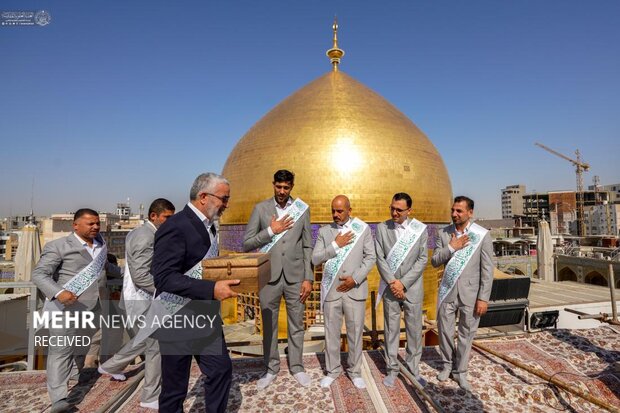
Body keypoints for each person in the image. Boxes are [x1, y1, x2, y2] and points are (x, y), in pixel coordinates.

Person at [151, 173, 239, 413]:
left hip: (202, 314)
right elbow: (164, 277)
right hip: (176, 315)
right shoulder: (176, 226)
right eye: (223, 198)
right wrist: (212, 288)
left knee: (221, 369)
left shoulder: (207, 226)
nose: (226, 204)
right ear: (203, 197)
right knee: (175, 387)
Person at [32, 208, 122, 413]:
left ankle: (74, 375)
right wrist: (58, 293)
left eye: (98, 223)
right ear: (75, 225)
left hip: (94, 309)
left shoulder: (100, 244)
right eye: (90, 224)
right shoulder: (58, 246)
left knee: (79, 348)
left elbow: (107, 269)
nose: (96, 227)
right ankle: (59, 400)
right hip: (64, 308)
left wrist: (131, 276)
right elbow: (39, 275)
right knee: (60, 352)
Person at [97, 198, 175, 409]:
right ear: (154, 216)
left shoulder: (146, 233)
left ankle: (111, 366)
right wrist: (166, 290)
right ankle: (150, 396)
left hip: (143, 299)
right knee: (155, 345)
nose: (170, 221)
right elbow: (141, 276)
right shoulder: (145, 236)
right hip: (140, 300)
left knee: (146, 341)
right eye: (167, 217)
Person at [242, 169, 313, 389]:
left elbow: (307, 245)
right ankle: (271, 368)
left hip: (295, 277)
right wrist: (271, 231)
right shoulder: (260, 209)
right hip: (269, 278)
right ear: (273, 185)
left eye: (286, 187)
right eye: (278, 187)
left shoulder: (301, 210)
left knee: (297, 324)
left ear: (292, 186)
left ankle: (297, 367)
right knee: (269, 326)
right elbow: (247, 243)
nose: (281, 191)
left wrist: (308, 278)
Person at [312, 195, 375, 389]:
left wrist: (354, 278)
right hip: (332, 291)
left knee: (355, 332)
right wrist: (335, 245)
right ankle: (332, 370)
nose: (335, 215)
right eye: (333, 210)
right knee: (331, 332)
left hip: (354, 289)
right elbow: (315, 259)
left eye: (339, 211)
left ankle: (355, 372)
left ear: (349, 210)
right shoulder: (325, 231)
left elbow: (370, 257)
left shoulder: (362, 229)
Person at [431, 196, 493, 391]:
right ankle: (447, 365)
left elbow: (487, 269)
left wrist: (483, 298)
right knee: (445, 331)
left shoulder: (481, 235)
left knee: (467, 333)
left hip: (471, 293)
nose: (454, 214)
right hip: (448, 291)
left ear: (470, 213)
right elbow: (434, 260)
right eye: (453, 210)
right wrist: (451, 247)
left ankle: (461, 371)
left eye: (459, 211)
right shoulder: (444, 233)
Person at [375, 193, 428, 387]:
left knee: (414, 331)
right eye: (392, 208)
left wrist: (403, 283)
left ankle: (414, 370)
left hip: (412, 288)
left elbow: (422, 259)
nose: (394, 212)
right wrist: (392, 282)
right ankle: (392, 369)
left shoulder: (419, 230)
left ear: (409, 211)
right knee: (391, 330)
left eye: (399, 209)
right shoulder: (382, 228)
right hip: (390, 289)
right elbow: (379, 258)